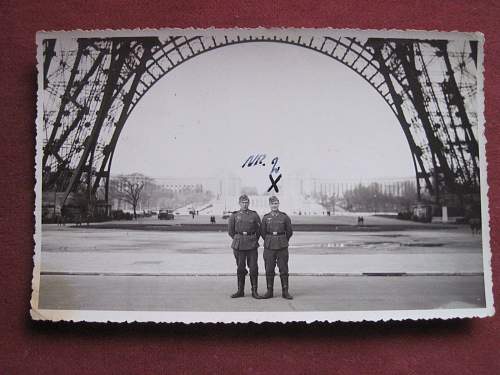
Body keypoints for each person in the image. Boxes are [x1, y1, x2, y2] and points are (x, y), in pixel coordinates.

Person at [227, 194, 262, 299]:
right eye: (243, 202)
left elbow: (259, 230)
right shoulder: (234, 215)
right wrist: (239, 238)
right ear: (239, 203)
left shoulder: (254, 215)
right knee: (240, 268)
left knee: (254, 268)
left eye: (246, 202)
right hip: (239, 244)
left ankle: (254, 291)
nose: (245, 204)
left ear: (249, 203)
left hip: (251, 244)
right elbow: (231, 231)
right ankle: (240, 290)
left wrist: (253, 239)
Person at [260, 196, 293, 299]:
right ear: (269, 205)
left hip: (282, 245)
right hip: (269, 246)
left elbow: (289, 232)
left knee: (283, 269)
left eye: (276, 203)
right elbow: (262, 232)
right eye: (272, 203)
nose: (274, 205)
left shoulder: (284, 217)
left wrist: (282, 240)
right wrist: (270, 239)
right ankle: (269, 291)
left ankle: (285, 291)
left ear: (278, 204)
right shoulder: (266, 217)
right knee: (269, 269)